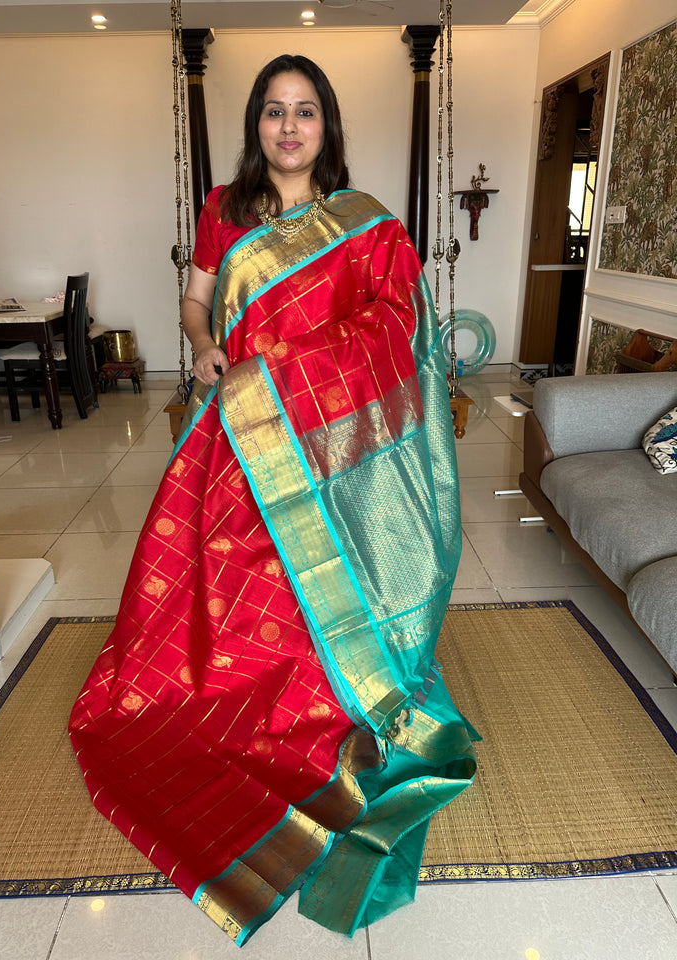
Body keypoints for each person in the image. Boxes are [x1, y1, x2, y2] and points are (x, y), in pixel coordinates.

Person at [69, 54, 478, 946]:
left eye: (305, 113)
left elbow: (396, 326)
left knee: (319, 577)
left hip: (322, 449)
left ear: (327, 126)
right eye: (272, 113)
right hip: (237, 436)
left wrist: (288, 372)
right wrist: (208, 346)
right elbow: (194, 304)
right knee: (226, 576)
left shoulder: (366, 226)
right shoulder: (223, 211)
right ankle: (237, 682)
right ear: (256, 125)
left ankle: (332, 692)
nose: (288, 128)